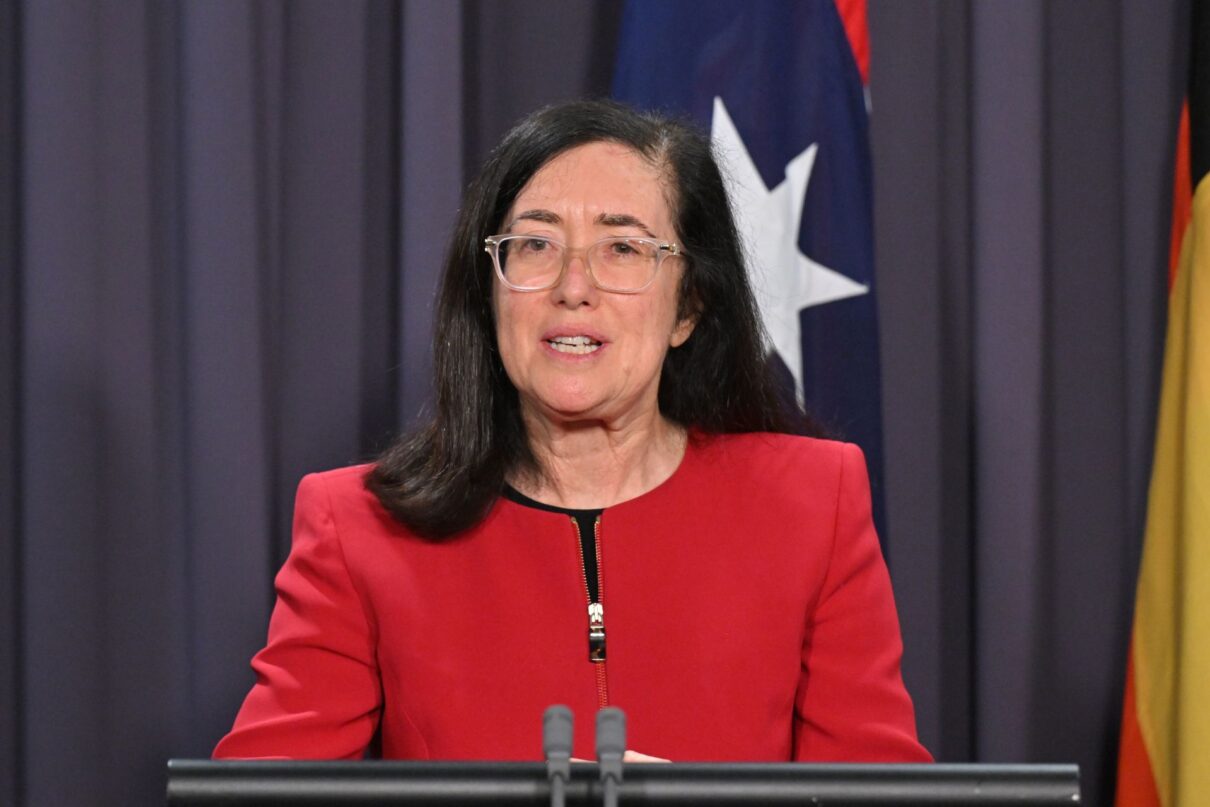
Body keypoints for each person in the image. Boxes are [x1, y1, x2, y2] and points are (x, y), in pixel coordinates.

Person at [213, 99, 931, 763]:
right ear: (489, 291)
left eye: (622, 249)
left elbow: (874, 792)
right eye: (534, 246)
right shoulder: (359, 526)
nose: (572, 286)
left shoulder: (813, 504)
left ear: (689, 307)